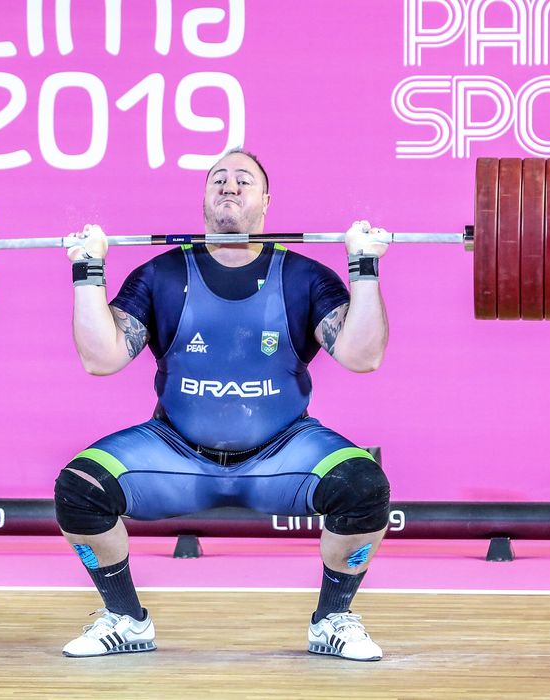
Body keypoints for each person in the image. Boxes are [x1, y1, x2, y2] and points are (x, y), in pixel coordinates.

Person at [54, 148, 391, 661]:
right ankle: (125, 618)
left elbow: (363, 357)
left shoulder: (303, 276)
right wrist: (88, 271)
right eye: (219, 178)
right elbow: (100, 359)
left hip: (283, 452)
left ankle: (333, 620)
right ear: (205, 197)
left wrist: (363, 267)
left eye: (244, 180)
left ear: (266, 202)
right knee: (80, 489)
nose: (230, 186)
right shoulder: (161, 275)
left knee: (364, 486)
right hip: (175, 453)